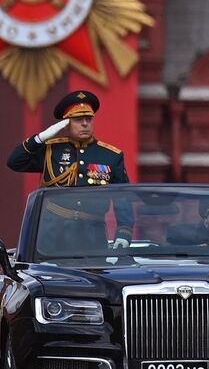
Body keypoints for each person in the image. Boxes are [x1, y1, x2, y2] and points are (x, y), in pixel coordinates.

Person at [7, 89, 133, 250]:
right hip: (53, 233)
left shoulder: (110, 155)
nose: (85, 124)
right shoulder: (51, 150)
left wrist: (123, 232)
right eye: (78, 119)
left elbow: (122, 198)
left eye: (88, 118)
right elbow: (14, 162)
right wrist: (40, 138)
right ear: (66, 124)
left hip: (92, 234)